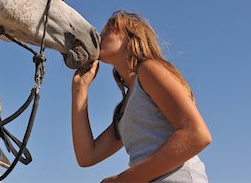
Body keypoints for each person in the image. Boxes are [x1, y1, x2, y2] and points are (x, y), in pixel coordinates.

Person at [71, 10, 212, 183]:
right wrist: (79, 89)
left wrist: (123, 180)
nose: (100, 36)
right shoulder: (127, 104)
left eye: (108, 30)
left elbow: (197, 135)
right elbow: (87, 155)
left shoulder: (148, 70)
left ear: (131, 37)